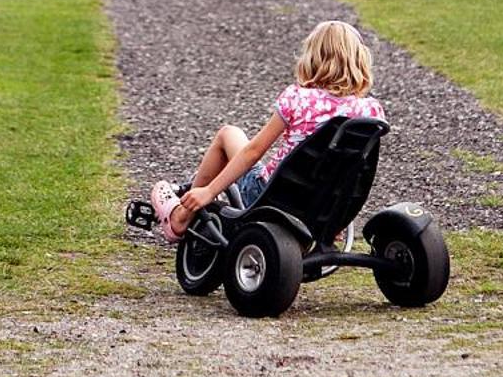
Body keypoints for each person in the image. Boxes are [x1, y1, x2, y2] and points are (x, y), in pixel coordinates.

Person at [147, 20, 386, 241]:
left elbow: (254, 152)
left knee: (228, 134)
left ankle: (182, 216)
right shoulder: (372, 111)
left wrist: (209, 191)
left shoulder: (298, 98)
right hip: (328, 208)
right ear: (360, 60)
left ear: (312, 58)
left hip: (273, 198)